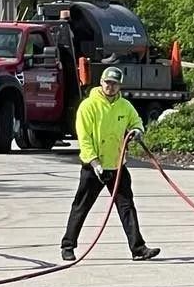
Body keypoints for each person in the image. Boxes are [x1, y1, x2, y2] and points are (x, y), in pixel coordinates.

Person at [60, 66, 161, 262]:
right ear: (101, 82)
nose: (111, 87)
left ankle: (138, 248)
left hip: (116, 166)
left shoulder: (124, 106)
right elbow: (85, 139)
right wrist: (96, 164)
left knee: (127, 206)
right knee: (81, 206)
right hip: (94, 168)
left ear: (119, 85)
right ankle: (68, 246)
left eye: (115, 84)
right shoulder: (88, 106)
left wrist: (138, 131)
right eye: (108, 83)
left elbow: (136, 121)